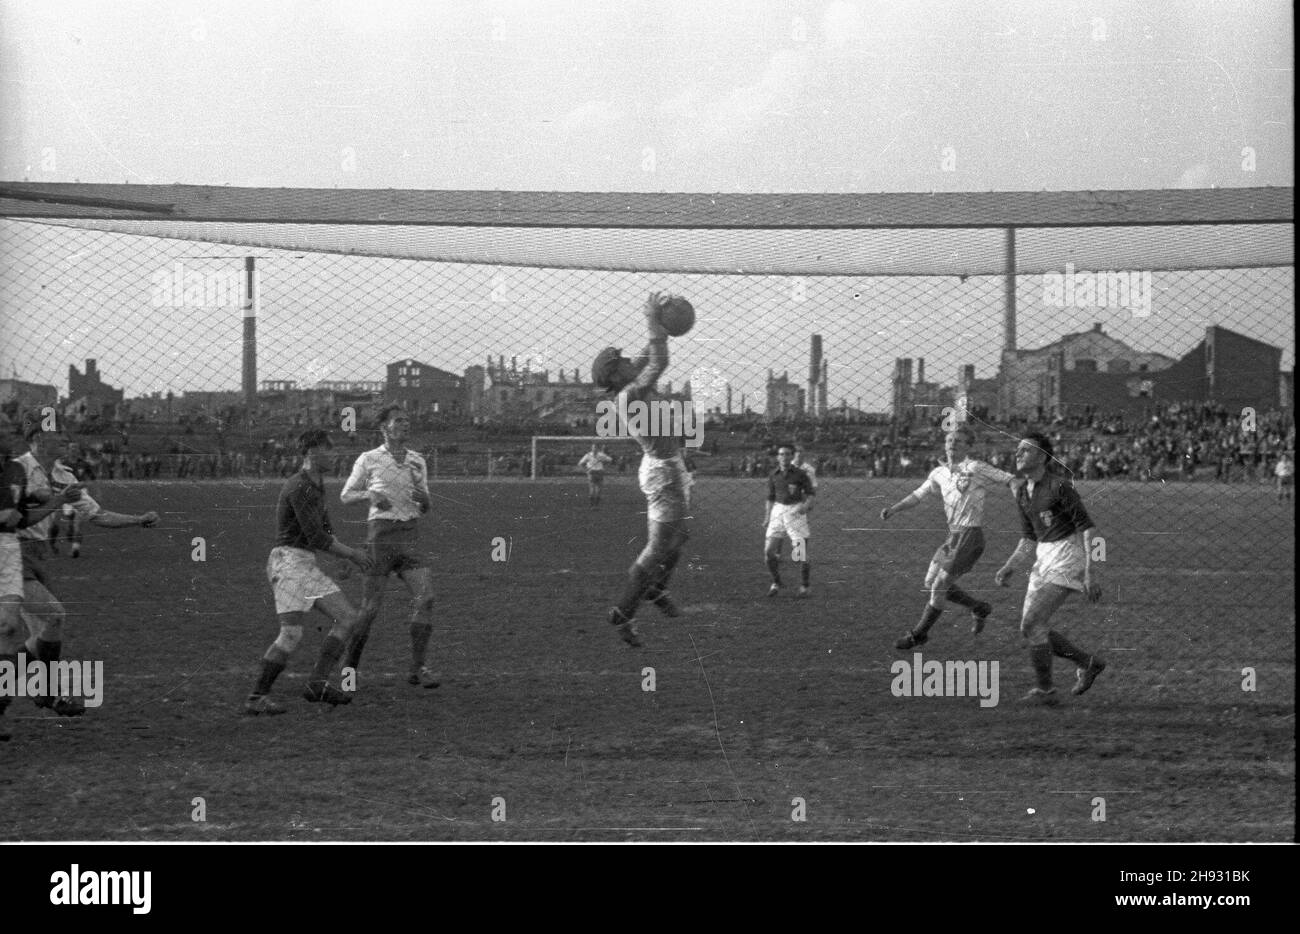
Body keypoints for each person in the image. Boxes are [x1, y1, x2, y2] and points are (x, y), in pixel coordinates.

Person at [14, 426, 160, 718]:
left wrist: (138, 519)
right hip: (10, 551)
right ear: (37, 439)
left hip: (38, 555)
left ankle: (47, 693)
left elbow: (98, 515)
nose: (64, 441)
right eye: (56, 435)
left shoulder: (65, 476)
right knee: (54, 615)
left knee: (41, 633)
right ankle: (48, 692)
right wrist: (50, 498)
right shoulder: (16, 469)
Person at [244, 429, 373, 715]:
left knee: (348, 617)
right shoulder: (300, 486)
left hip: (302, 563)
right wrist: (351, 554)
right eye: (329, 448)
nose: (335, 453)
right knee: (291, 634)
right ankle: (256, 697)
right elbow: (315, 536)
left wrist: (340, 556)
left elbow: (324, 528)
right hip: (289, 564)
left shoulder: (316, 483)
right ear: (313, 452)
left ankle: (317, 683)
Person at [591, 291, 691, 647]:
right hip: (664, 472)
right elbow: (658, 361)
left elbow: (649, 354)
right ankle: (623, 613)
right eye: (622, 360)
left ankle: (655, 590)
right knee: (657, 548)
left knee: (676, 540)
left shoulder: (627, 387)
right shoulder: (629, 395)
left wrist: (657, 321)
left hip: (667, 468)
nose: (628, 359)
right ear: (617, 372)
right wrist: (652, 320)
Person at [994, 432, 1106, 706]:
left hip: (1068, 556)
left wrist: (1092, 571)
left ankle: (1046, 692)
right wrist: (1010, 565)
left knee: (1032, 623)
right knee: (1032, 627)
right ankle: (1087, 663)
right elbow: (1029, 537)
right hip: (1044, 558)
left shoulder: (1059, 486)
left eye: (1026, 450)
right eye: (1018, 449)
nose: (1018, 454)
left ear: (1043, 457)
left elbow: (1090, 529)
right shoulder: (1022, 491)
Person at [882, 427, 1012, 650]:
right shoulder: (938, 473)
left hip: (970, 535)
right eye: (949, 439)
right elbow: (918, 495)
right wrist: (894, 509)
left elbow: (1009, 479)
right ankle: (978, 607)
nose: (953, 443)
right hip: (952, 535)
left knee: (940, 585)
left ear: (969, 446)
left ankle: (919, 634)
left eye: (959, 441)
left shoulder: (976, 468)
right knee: (930, 582)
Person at [338, 405, 439, 689]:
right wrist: (370, 495)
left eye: (407, 420)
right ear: (384, 427)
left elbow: (427, 505)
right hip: (381, 536)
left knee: (426, 598)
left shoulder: (418, 461)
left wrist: (424, 500)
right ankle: (349, 670)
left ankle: (418, 668)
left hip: (409, 534)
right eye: (399, 421)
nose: (405, 425)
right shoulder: (369, 459)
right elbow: (346, 495)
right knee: (370, 609)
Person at [764, 443, 815, 597]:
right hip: (777, 512)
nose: (784, 457)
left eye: (787, 454)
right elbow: (770, 497)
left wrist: (805, 506)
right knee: (768, 552)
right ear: (777, 456)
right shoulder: (774, 474)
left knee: (799, 554)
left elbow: (811, 493)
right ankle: (776, 581)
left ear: (792, 456)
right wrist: (767, 516)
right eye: (781, 454)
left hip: (795, 512)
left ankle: (804, 586)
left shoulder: (800, 474)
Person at [51, 439, 95, 557]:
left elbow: (91, 479)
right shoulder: (61, 463)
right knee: (56, 522)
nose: (73, 450)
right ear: (67, 450)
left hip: (80, 494)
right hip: (64, 494)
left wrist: (84, 484)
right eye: (71, 448)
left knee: (77, 523)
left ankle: (75, 549)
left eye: (75, 448)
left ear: (78, 450)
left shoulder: (84, 464)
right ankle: (52, 544)